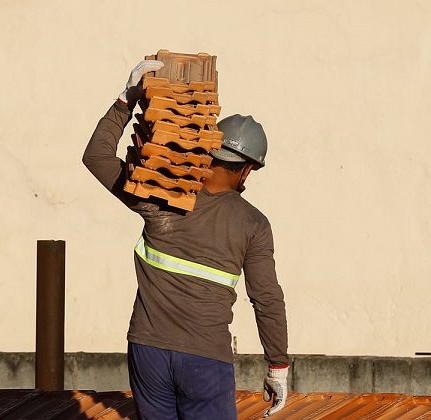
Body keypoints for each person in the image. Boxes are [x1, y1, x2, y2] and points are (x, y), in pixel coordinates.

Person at [83, 60, 289, 419]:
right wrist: (278, 366)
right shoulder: (253, 224)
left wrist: (126, 99)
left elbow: (96, 157)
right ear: (247, 168)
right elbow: (267, 299)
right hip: (205, 361)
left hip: (147, 351)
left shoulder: (159, 194)